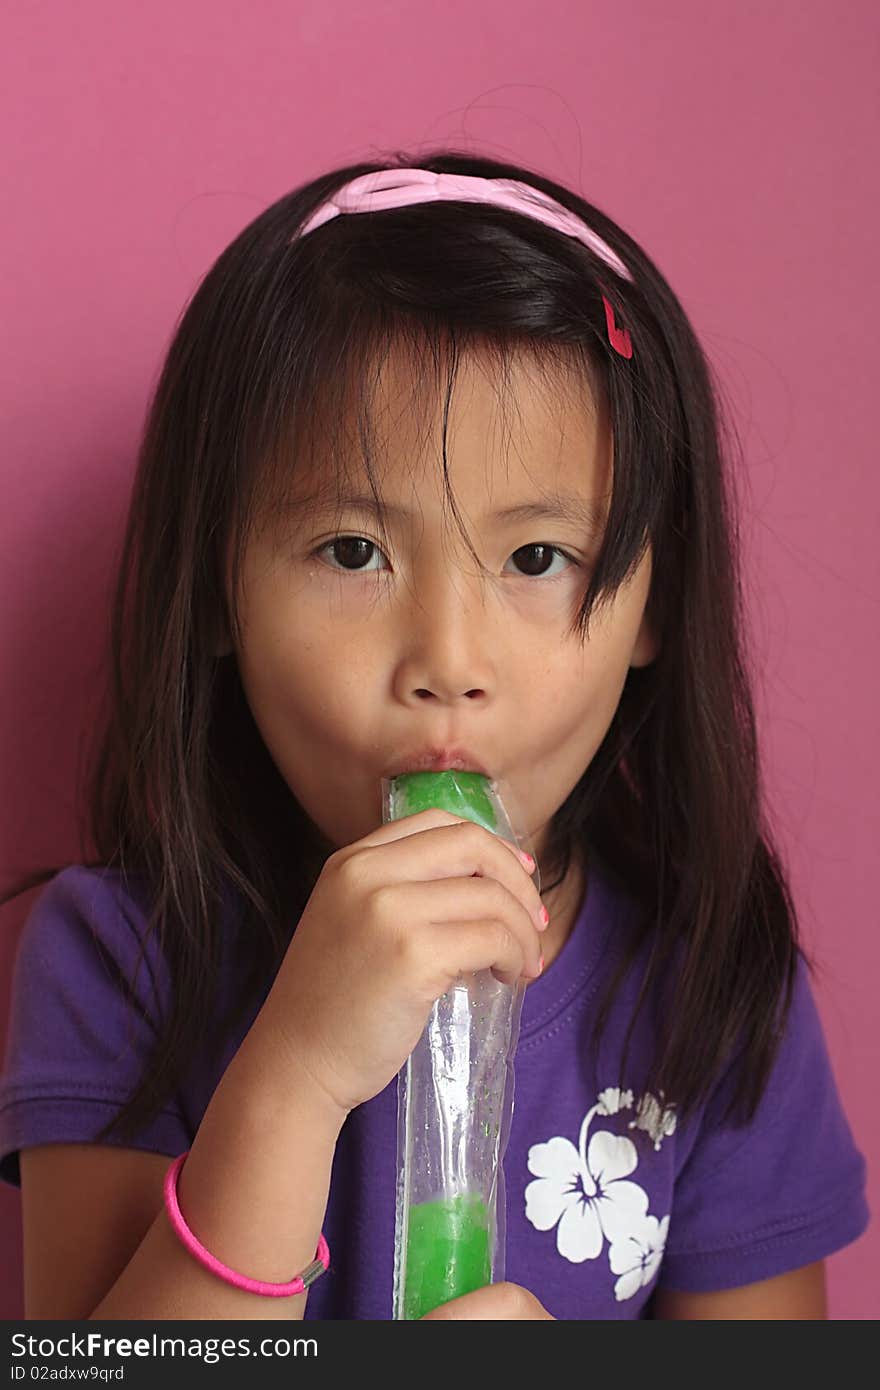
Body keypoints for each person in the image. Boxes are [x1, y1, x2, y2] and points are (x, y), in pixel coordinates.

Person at [0, 152, 868, 1322]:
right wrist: (299, 1069)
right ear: (212, 587)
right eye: (354, 552)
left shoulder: (712, 992)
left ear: (654, 604)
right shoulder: (121, 960)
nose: (448, 665)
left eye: (536, 558)